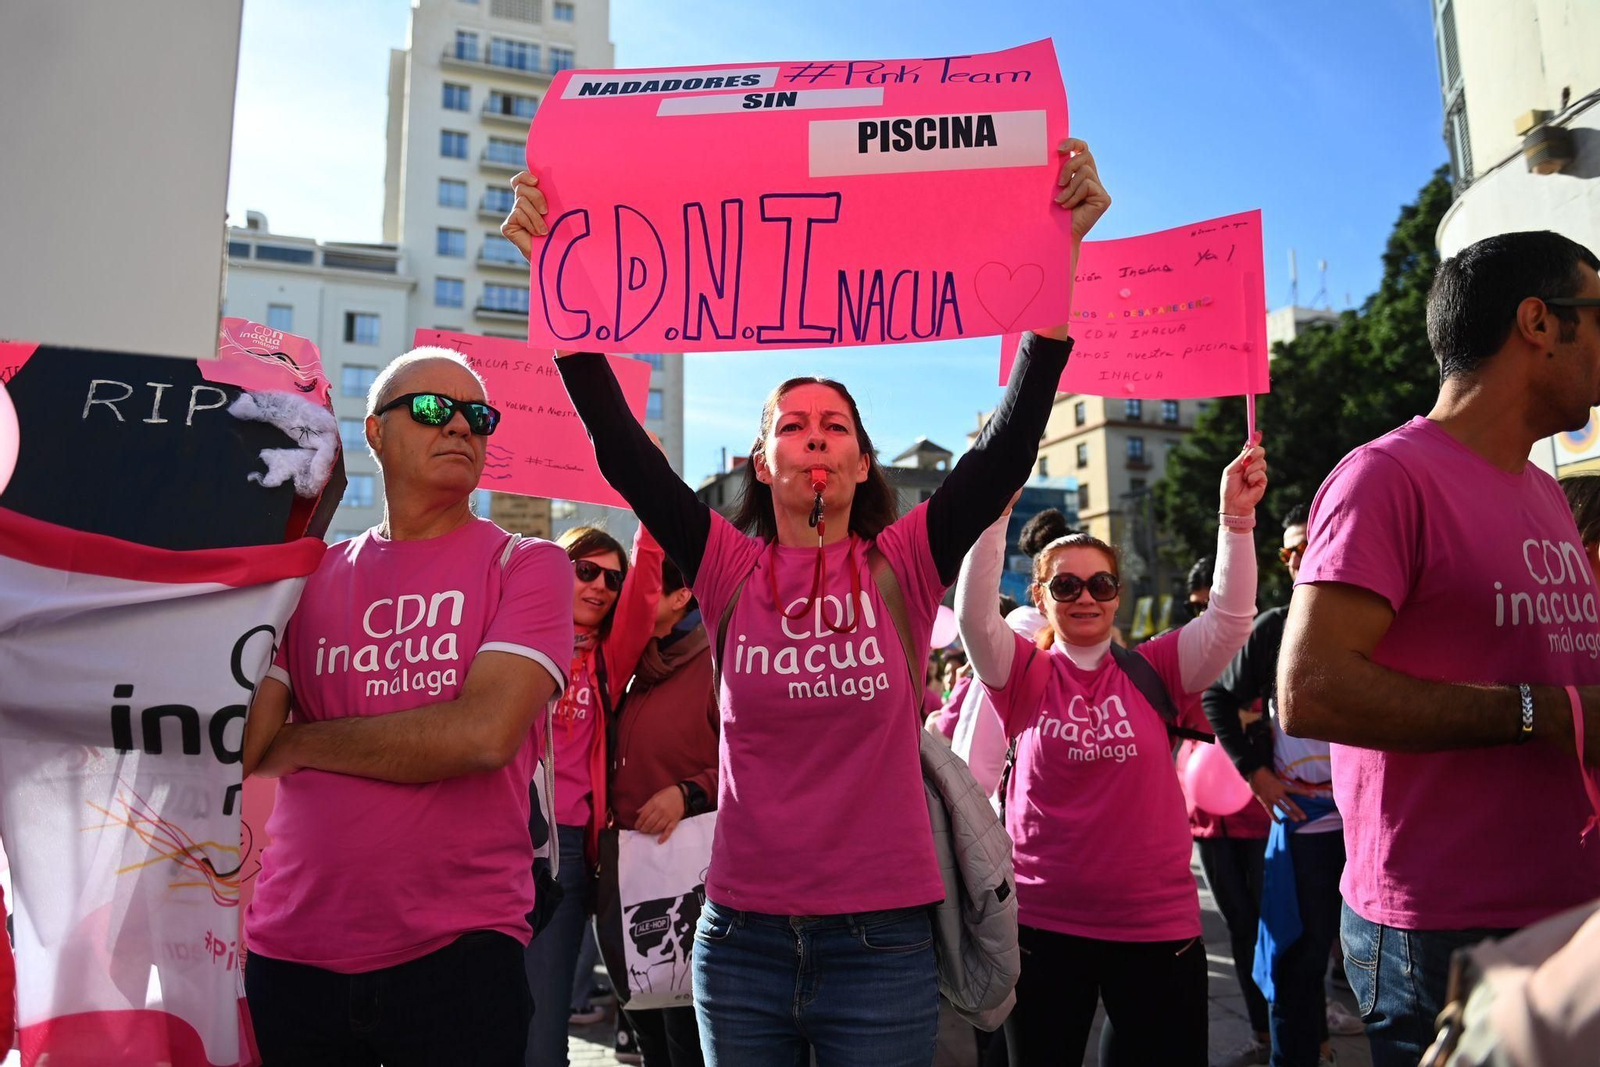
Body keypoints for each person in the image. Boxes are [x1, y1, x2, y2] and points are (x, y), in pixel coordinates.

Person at [500, 137, 1111, 1067]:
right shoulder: (728, 565)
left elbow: (1006, 452)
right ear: (763, 460)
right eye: (794, 425)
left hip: (881, 949)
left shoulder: (905, 562)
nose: (815, 438)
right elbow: (626, 453)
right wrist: (553, 277)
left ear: (862, 462)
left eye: (835, 426)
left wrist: (1057, 264)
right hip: (738, 943)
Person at [1277, 231, 1600, 1067]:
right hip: (1443, 931)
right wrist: (1545, 716)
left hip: (1566, 907)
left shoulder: (1545, 493)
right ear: (1539, 321)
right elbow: (1311, 690)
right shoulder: (1387, 475)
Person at [240, 348, 574, 1065]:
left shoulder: (529, 564)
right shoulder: (307, 574)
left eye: (478, 416)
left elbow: (482, 735)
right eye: (431, 408)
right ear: (375, 432)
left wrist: (308, 744)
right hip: (293, 953)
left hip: (459, 957)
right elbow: (248, 742)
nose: (460, 426)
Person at [956, 444, 1267, 1066]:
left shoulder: (1156, 669)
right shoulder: (1022, 673)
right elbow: (972, 617)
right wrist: (992, 518)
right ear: (1041, 597)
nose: (1085, 596)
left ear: (1117, 594)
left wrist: (1236, 522)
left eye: (1100, 582)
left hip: (1157, 931)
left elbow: (1232, 620)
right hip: (1043, 929)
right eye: (1065, 584)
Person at [1204, 507, 1347, 1067]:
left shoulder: (1383, 616)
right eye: (1288, 550)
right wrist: (1256, 773)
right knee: (1297, 958)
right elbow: (1217, 697)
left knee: (1380, 961)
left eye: (1308, 544)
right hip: (1305, 823)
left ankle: (1320, 1040)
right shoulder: (1276, 627)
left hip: (1372, 824)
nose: (1296, 557)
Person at [527, 523, 661, 1066]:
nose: (601, 586)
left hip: (565, 858)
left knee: (544, 1027)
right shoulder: (514, 637)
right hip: (487, 844)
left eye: (612, 577)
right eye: (586, 570)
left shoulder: (609, 659)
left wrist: (647, 490)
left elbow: (647, 586)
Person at [597, 550, 719, 1067]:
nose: (622, 600)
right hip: (630, 878)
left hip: (691, 884)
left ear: (680, 596)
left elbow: (754, 761)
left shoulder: (716, 659)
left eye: (638, 589)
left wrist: (688, 793)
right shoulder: (631, 665)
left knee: (688, 1041)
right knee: (649, 1038)